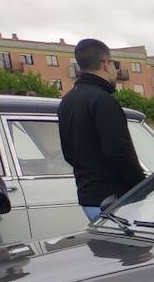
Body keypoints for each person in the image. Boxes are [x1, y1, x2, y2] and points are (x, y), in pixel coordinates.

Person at [57, 38, 145, 222]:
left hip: (88, 197)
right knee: (131, 250)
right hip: (114, 200)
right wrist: (141, 186)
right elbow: (118, 151)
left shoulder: (67, 101)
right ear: (106, 64)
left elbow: (68, 153)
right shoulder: (103, 100)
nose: (115, 70)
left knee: (104, 249)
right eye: (115, 64)